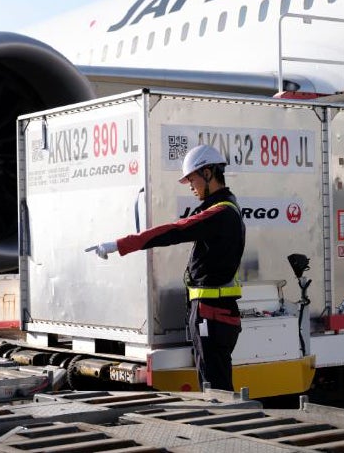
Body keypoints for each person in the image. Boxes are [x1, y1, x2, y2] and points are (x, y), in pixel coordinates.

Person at [88, 144, 245, 391]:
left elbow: (175, 231)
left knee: (216, 389)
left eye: (192, 179)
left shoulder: (220, 213)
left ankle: (229, 426)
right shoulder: (224, 209)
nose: (191, 187)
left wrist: (120, 244)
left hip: (213, 315)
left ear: (208, 173)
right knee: (213, 383)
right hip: (214, 313)